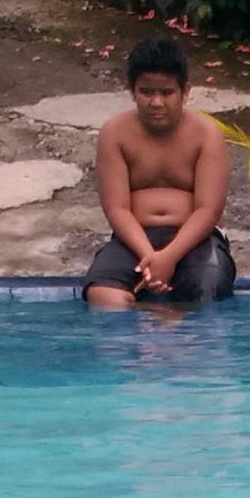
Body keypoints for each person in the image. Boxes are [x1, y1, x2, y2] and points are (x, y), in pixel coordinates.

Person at [82, 34, 233, 309]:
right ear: (132, 90)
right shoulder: (115, 133)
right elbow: (117, 208)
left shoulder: (206, 135)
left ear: (185, 91)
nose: (156, 103)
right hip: (135, 239)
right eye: (147, 92)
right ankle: (154, 314)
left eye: (166, 93)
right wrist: (150, 256)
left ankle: (166, 320)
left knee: (207, 292)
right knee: (101, 296)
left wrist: (169, 257)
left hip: (194, 240)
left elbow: (208, 210)